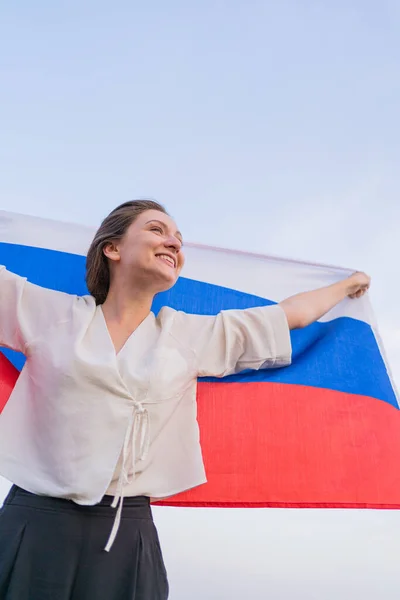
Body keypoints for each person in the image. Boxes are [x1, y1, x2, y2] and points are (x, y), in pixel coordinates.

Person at [0, 199, 370, 600]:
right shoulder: (50, 314)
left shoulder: (187, 336)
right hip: (34, 521)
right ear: (113, 248)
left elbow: (287, 316)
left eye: (179, 238)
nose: (174, 243)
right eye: (158, 230)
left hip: (125, 531)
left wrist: (348, 285)